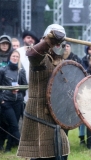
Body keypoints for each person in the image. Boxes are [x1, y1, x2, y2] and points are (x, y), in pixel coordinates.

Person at [17, 24, 69, 160]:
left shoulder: (62, 63)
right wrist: (47, 41)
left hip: (56, 116)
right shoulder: (39, 59)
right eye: (55, 43)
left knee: (61, 153)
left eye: (60, 43)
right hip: (38, 116)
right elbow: (32, 54)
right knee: (40, 155)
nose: (58, 46)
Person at [0, 50, 28, 152]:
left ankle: (8, 147)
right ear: (9, 57)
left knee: (12, 124)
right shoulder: (3, 70)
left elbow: (25, 87)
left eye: (17, 56)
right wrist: (1, 100)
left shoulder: (21, 71)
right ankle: (23, 147)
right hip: (6, 102)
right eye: (13, 56)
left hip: (18, 102)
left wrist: (19, 89)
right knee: (13, 125)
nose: (15, 58)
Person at [17, 30, 39, 103]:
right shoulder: (17, 52)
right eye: (28, 37)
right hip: (20, 87)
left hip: (35, 86)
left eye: (33, 38)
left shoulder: (38, 53)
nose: (31, 39)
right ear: (23, 39)